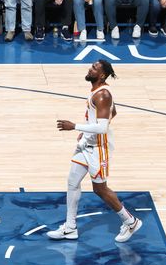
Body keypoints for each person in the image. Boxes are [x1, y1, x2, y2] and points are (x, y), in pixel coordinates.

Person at [47, 60, 144, 243]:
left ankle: (130, 222)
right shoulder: (98, 91)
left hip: (98, 148)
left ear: (101, 75)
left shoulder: (103, 95)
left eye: (94, 68)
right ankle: (70, 228)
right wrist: (86, 131)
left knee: (100, 189)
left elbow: (103, 127)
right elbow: (112, 113)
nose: (89, 69)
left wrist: (75, 126)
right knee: (72, 181)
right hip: (86, 144)